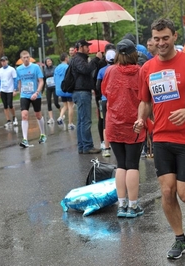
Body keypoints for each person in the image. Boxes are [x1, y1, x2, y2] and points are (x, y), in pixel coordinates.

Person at [134, 18, 185, 260]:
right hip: (160, 137)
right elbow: (145, 101)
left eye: (165, 38)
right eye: (156, 39)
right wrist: (141, 119)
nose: (161, 43)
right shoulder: (147, 68)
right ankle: (180, 239)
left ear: (174, 37)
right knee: (167, 191)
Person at [101, 39, 145, 218]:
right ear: (135, 53)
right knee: (132, 164)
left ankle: (121, 205)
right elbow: (145, 97)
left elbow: (105, 92)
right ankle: (133, 206)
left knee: (121, 164)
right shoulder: (141, 72)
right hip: (134, 123)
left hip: (114, 123)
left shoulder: (109, 71)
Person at [71, 39, 103, 154]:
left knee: (81, 120)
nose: (89, 48)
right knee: (85, 120)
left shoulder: (80, 59)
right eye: (86, 46)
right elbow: (86, 69)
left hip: (81, 92)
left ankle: (82, 146)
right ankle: (87, 146)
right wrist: (96, 59)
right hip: (82, 92)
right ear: (80, 47)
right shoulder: (78, 59)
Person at [16, 50, 46, 148]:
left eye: (27, 57)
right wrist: (20, 93)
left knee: (38, 114)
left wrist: (37, 92)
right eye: (24, 58)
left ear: (30, 57)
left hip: (35, 94)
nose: (26, 59)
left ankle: (42, 134)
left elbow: (41, 81)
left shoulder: (35, 67)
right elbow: (19, 82)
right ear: (21, 59)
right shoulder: (19, 69)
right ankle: (25, 139)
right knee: (24, 115)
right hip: (24, 95)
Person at [97, 49, 116, 157]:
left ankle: (107, 148)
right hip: (116, 100)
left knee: (106, 123)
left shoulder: (101, 71)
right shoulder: (119, 69)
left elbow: (97, 86)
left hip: (105, 99)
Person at [54, 53, 75, 130]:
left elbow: (55, 79)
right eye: (68, 57)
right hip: (67, 89)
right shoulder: (68, 67)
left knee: (65, 105)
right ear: (66, 58)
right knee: (70, 106)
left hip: (60, 89)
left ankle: (60, 117)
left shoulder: (56, 68)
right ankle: (70, 123)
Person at [0, 56, 18, 127]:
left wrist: (15, 89)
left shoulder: (11, 69)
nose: (3, 62)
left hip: (10, 90)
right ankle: (8, 120)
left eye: (4, 61)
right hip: (3, 90)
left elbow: (15, 79)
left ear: (7, 61)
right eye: (2, 61)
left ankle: (14, 117)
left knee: (10, 104)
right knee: (5, 105)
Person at [43, 57, 60, 124]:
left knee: (56, 102)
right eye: (47, 62)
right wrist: (43, 89)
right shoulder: (45, 70)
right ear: (46, 63)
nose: (49, 62)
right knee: (49, 102)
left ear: (52, 61)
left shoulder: (55, 68)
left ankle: (61, 113)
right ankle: (51, 118)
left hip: (55, 87)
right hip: (48, 88)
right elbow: (44, 79)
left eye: (50, 61)